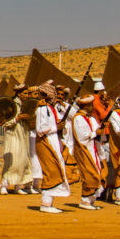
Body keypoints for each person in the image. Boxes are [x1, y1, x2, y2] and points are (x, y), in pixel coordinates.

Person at [34, 80, 70, 213]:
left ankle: (49, 203)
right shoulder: (43, 109)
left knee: (56, 170)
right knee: (51, 171)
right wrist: (56, 127)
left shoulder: (52, 108)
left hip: (55, 142)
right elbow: (40, 129)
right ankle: (46, 204)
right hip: (46, 143)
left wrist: (59, 125)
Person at [0, 83, 34, 195]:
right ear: (19, 94)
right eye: (25, 93)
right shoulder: (12, 105)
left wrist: (28, 118)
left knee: (23, 161)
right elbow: (5, 122)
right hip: (13, 136)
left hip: (23, 135)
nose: (27, 95)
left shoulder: (26, 106)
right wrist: (17, 118)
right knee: (11, 162)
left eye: (28, 93)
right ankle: (4, 185)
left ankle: (18, 186)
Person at [72, 94, 105, 210]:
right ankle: (85, 200)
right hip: (84, 151)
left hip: (94, 150)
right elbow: (82, 136)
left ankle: (91, 201)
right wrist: (96, 133)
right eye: (91, 105)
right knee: (89, 175)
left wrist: (100, 132)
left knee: (97, 174)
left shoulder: (91, 118)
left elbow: (96, 130)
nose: (92, 107)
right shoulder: (78, 118)